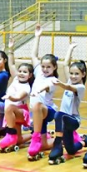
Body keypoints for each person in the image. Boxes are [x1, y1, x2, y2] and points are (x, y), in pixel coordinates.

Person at [48, 42, 86, 165]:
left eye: (77, 74)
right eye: (72, 73)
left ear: (83, 74)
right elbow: (65, 64)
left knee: (59, 114)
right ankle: (85, 142)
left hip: (73, 121)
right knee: (71, 150)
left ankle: (57, 144)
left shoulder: (80, 87)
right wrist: (70, 48)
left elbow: (68, 87)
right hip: (64, 123)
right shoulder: (70, 80)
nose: (73, 76)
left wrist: (60, 84)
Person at [28, 24, 59, 161]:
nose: (45, 69)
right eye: (43, 66)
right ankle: (65, 138)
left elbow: (47, 87)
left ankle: (35, 138)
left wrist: (38, 90)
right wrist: (37, 37)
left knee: (38, 105)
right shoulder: (39, 72)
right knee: (44, 145)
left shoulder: (54, 80)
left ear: (54, 67)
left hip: (48, 111)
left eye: (48, 67)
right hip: (37, 114)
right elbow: (33, 55)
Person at [0, 63, 36, 153]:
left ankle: (10, 135)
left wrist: (10, 97)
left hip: (20, 113)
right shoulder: (15, 79)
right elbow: (11, 64)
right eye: (20, 71)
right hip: (11, 114)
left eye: (25, 72)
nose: (21, 73)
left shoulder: (26, 88)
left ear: (30, 75)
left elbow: (17, 98)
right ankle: (34, 135)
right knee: (18, 140)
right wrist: (10, 54)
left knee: (10, 107)